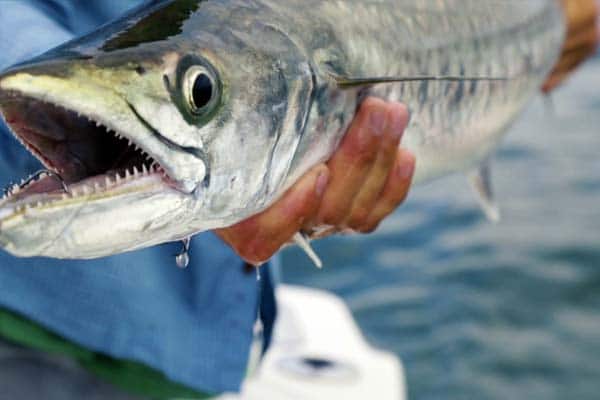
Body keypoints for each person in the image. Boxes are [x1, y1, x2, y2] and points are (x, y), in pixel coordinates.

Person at [0, 1, 596, 399]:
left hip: (192, 356)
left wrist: (560, 22)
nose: (199, 96)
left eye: (199, 93)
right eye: (200, 92)